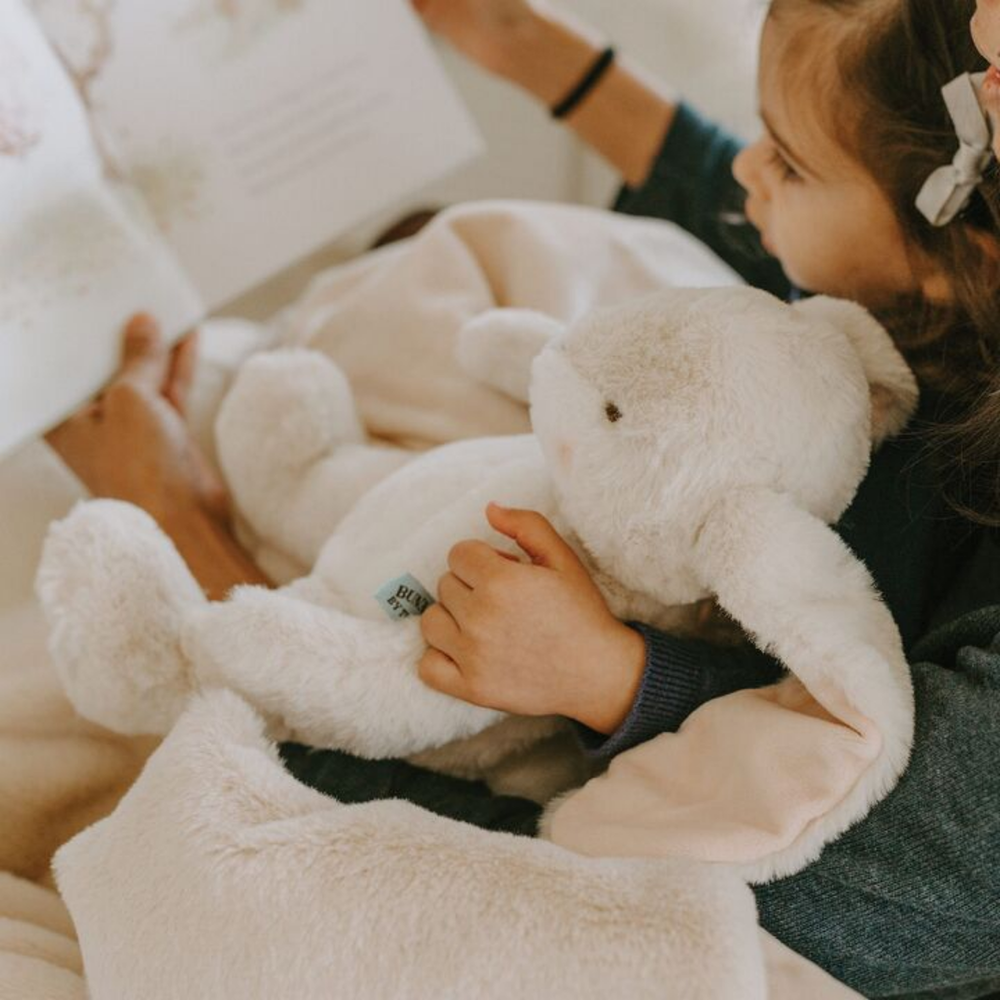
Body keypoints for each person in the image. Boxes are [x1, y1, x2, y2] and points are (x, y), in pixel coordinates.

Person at [47, 0, 1000, 995]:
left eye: (786, 158)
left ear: (965, 255)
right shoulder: (933, 298)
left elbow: (604, 875)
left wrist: (179, 522)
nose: (744, 169)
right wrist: (527, 46)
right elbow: (832, 219)